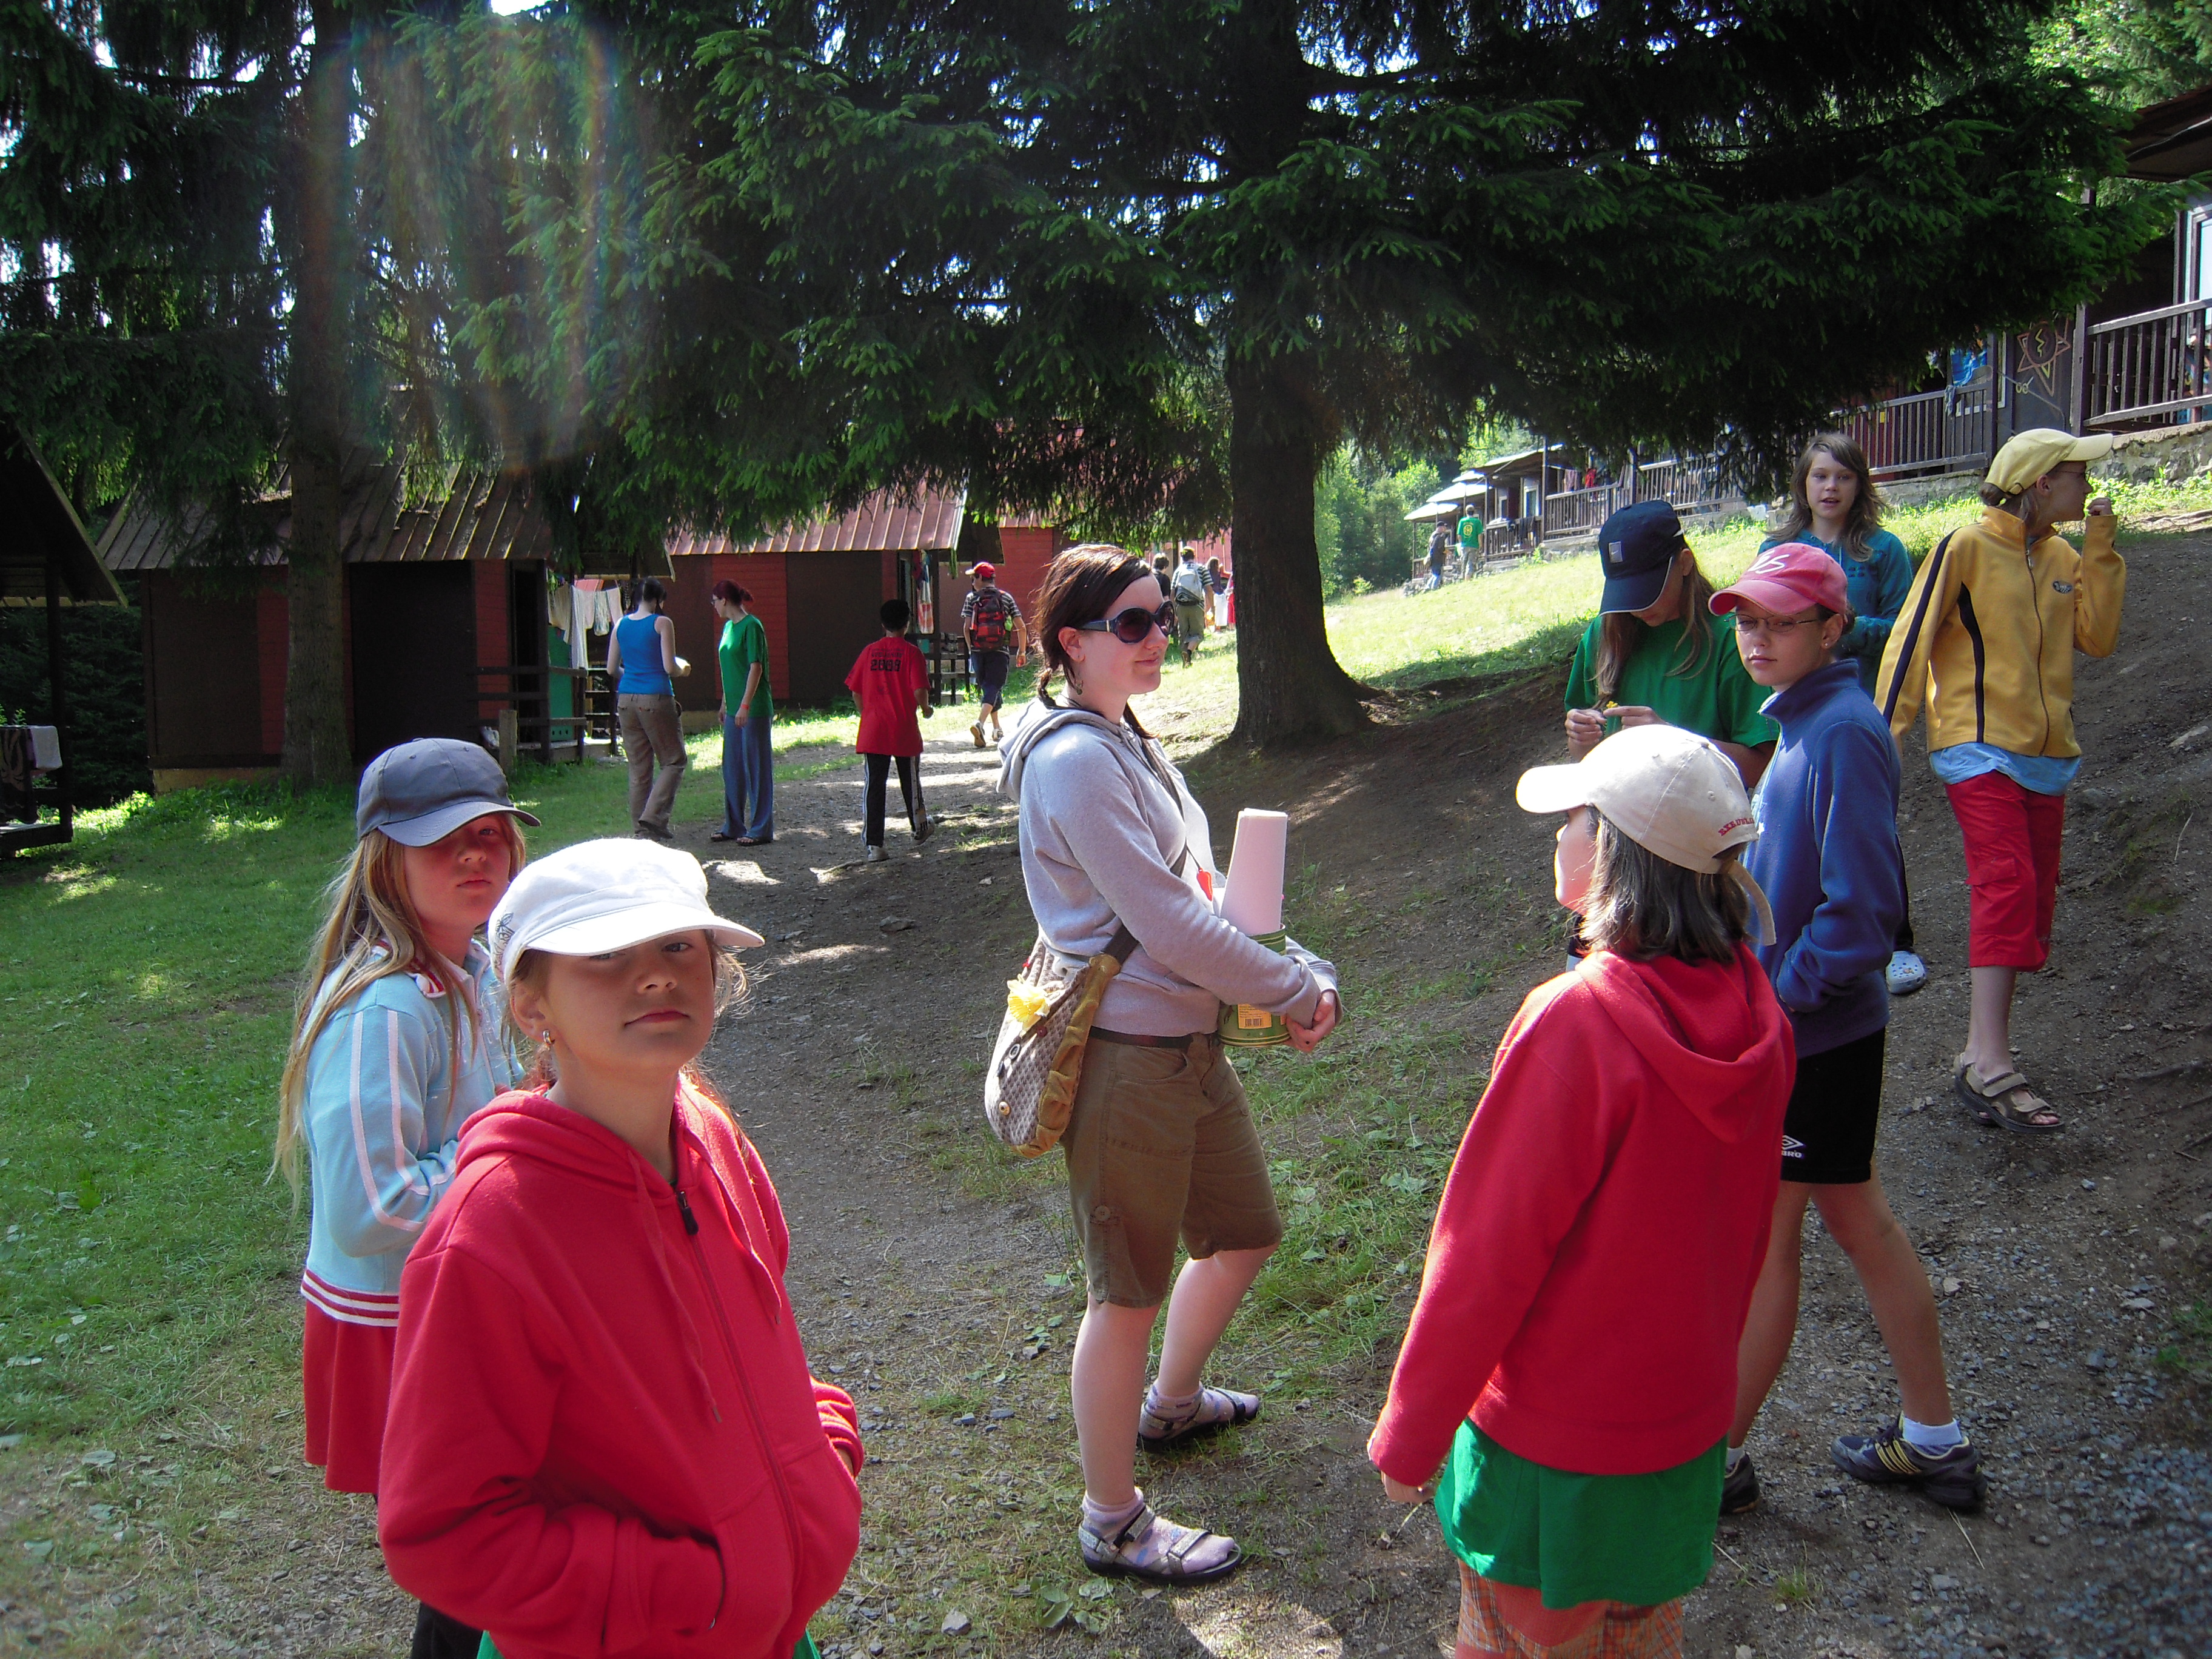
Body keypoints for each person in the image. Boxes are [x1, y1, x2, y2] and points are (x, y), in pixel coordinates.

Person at [377, 840, 862, 1659]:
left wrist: (823, 1451)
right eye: (604, 954)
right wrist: (689, 1589)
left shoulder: (712, 1135)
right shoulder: (492, 1232)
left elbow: (761, 1341)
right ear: (531, 1005)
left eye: (677, 945)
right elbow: (443, 1529)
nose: (655, 976)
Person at [1369, 723, 1792, 1659]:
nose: (1560, 834)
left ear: (1612, 853)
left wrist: (1410, 1435)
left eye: (1576, 817)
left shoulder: (1575, 1024)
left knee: (1507, 1641)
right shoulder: (1759, 1014)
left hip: (1550, 1457)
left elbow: (1485, 1254)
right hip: (1678, 1440)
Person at [999, 544, 1342, 1586]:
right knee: (1125, 1296)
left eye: (1164, 617)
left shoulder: (1126, 740)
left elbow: (1198, 888)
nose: (1159, 637)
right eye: (1133, 624)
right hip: (1126, 1061)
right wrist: (1289, 991)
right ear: (1072, 642)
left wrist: (1295, 964)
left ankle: (1174, 1405)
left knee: (1243, 1232)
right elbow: (1167, 924)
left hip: (1187, 1047)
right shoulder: (1071, 761)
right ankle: (1111, 1521)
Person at [1712, 545, 1982, 1514]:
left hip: (1815, 1039)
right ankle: (1935, 1439)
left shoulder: (1842, 734)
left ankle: (1712, 1468)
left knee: (1767, 1244)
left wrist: (1777, 1001)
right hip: (1809, 1032)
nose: (1757, 638)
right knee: (1860, 1222)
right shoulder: (1801, 724)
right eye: (1747, 621)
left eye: (1781, 622)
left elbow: (1865, 914)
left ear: (1833, 629)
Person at [276, 738, 535, 1659]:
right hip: (396, 1323)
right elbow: (370, 1207)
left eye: (489, 834)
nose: (472, 856)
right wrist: (511, 1153)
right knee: (472, 1554)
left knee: (493, 1540)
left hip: (451, 1301)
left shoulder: (472, 970)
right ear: (386, 860)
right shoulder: (385, 1008)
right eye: (439, 841)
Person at [1876, 429, 2124, 1134]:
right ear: (2043, 482)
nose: (2087, 486)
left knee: (2032, 900)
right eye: (2077, 475)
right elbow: (1910, 637)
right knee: (2007, 883)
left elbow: (2098, 638)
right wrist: (1882, 733)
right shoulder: (1965, 547)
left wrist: (2101, 546)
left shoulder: (2066, 557)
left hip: (2047, 755)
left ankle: (1980, 1053)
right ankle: (1988, 1062)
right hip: (1975, 745)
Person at [1764, 432, 1926, 997]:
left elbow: (1908, 629)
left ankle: (1897, 941)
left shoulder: (1882, 550)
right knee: (1797, 824)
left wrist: (1844, 627)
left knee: (1866, 823)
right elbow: (1762, 622)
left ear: (1860, 485)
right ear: (1803, 485)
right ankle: (1800, 934)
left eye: (1844, 476)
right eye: (1820, 476)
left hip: (1865, 703)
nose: (1830, 487)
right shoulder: (1777, 548)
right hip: (1798, 706)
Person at [1564, 500, 1776, 789]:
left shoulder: (1732, 638)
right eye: (1625, 594)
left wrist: (1673, 741)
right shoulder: (1604, 634)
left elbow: (1761, 768)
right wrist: (1580, 738)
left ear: (1685, 563)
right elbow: (1585, 758)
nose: (1637, 607)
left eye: (1647, 590)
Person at [845, 598, 934, 863]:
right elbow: (919, 690)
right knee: (910, 781)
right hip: (903, 727)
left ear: (883, 624)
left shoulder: (869, 652)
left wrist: (867, 713)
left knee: (874, 785)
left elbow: (855, 690)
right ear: (907, 623)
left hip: (874, 729)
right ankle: (919, 827)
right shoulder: (912, 654)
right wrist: (925, 709)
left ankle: (875, 845)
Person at [605, 577, 685, 842]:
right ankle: (653, 817)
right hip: (656, 697)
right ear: (658, 600)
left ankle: (641, 832)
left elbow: (611, 669)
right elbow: (669, 667)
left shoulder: (620, 625)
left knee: (639, 768)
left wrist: (632, 676)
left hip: (626, 699)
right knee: (674, 760)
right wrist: (683, 670)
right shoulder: (662, 623)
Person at [710, 579, 774, 846]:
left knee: (756, 767)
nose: (714, 606)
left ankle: (761, 828)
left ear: (724, 600)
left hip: (754, 708)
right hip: (733, 707)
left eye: (714, 601)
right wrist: (726, 702)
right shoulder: (728, 628)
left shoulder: (752, 626)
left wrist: (745, 705)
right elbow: (730, 668)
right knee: (733, 767)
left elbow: (755, 667)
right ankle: (733, 824)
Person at [960, 561, 1029, 748]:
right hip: (1000, 650)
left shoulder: (971, 598)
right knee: (993, 687)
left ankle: (996, 728)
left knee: (990, 688)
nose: (973, 582)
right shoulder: (1006, 598)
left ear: (980, 578)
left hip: (978, 651)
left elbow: (966, 628)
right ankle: (980, 723)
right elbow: (1021, 627)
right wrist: (1022, 651)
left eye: (974, 578)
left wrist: (971, 649)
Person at [1170, 548, 1210, 664]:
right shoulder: (1201, 569)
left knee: (1183, 635)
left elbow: (1173, 592)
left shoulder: (1178, 571)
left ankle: (1186, 662)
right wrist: (1211, 607)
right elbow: (1209, 589)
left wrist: (1173, 610)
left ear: (1182, 557)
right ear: (1194, 556)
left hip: (1181, 606)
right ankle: (1189, 652)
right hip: (1197, 605)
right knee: (1197, 634)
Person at [1425, 522, 1452, 591]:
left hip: (1432, 558)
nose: (1445, 529)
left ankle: (1427, 587)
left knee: (1434, 574)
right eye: (1444, 527)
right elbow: (1441, 549)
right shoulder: (1440, 537)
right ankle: (1434, 588)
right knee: (1438, 574)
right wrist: (1448, 552)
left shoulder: (1433, 536)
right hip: (1437, 559)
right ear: (1440, 527)